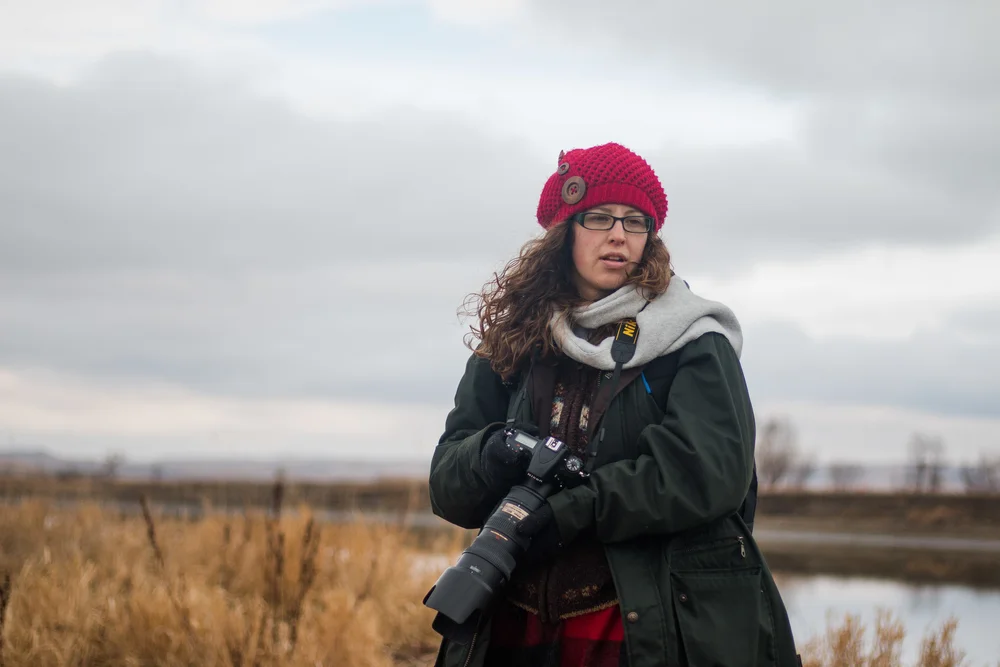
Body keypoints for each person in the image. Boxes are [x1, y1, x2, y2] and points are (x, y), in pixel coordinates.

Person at [428, 143, 800, 667]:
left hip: (643, 625)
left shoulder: (693, 340)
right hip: (514, 623)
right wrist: (493, 452)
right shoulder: (515, 341)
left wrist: (570, 512)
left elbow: (707, 473)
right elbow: (447, 485)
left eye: (635, 221)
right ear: (564, 232)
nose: (619, 235)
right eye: (600, 217)